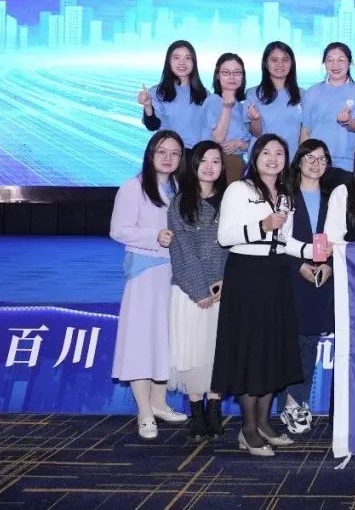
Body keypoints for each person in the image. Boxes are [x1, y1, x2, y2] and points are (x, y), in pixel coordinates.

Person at [213, 134, 319, 457]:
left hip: (276, 276)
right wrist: (262, 225)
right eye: (267, 153)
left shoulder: (285, 194)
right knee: (250, 352)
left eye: (279, 154)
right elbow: (224, 236)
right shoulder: (239, 189)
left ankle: (263, 423)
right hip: (247, 276)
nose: (273, 159)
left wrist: (312, 251)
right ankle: (247, 429)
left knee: (272, 351)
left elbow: (284, 241)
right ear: (255, 156)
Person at [110, 130, 188, 440]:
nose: (169, 158)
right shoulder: (133, 187)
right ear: (150, 154)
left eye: (175, 153)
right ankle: (144, 411)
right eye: (162, 152)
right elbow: (118, 230)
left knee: (166, 340)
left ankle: (159, 402)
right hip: (145, 274)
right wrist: (153, 236)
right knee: (141, 341)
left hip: (175, 274)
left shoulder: (180, 187)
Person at [278, 139, 342, 435]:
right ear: (299, 162)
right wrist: (298, 266)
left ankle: (296, 401)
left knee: (310, 342)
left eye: (322, 159)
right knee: (293, 342)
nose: (316, 164)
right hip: (291, 275)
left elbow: (339, 237)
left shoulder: (334, 197)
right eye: (310, 158)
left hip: (323, 277)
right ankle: (292, 402)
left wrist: (329, 265)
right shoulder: (285, 196)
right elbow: (278, 240)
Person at [166, 140, 227, 441]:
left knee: (218, 350)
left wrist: (225, 282)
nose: (209, 166)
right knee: (192, 351)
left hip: (224, 290)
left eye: (216, 161)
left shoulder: (230, 200)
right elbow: (182, 249)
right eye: (204, 160)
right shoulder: (180, 202)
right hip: (190, 291)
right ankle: (196, 413)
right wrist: (200, 290)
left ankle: (214, 409)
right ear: (193, 165)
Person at [300, 42, 355, 171]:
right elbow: (306, 131)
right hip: (316, 162)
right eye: (330, 60)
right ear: (324, 63)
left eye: (341, 60)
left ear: (350, 63)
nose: (335, 65)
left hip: (348, 163)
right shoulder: (312, 92)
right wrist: (303, 160)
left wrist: (347, 122)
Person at [138, 40, 208, 149]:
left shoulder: (204, 94)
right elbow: (152, 126)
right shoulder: (157, 92)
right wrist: (148, 106)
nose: (182, 62)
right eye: (176, 57)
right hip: (170, 152)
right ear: (169, 62)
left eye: (187, 58)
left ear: (194, 62)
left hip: (198, 154)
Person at [248, 41, 303, 156]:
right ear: (266, 64)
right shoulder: (253, 94)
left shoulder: (303, 95)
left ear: (291, 64)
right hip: (262, 159)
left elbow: (305, 132)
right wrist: (256, 120)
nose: (280, 64)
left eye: (285, 60)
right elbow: (256, 133)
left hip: (292, 159)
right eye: (274, 60)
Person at [204, 52, 252, 182]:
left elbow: (249, 144)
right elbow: (217, 138)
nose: (232, 77)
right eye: (226, 72)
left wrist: (239, 143)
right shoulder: (213, 100)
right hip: (219, 164)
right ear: (217, 75)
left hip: (239, 164)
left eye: (237, 72)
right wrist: (227, 108)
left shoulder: (241, 106)